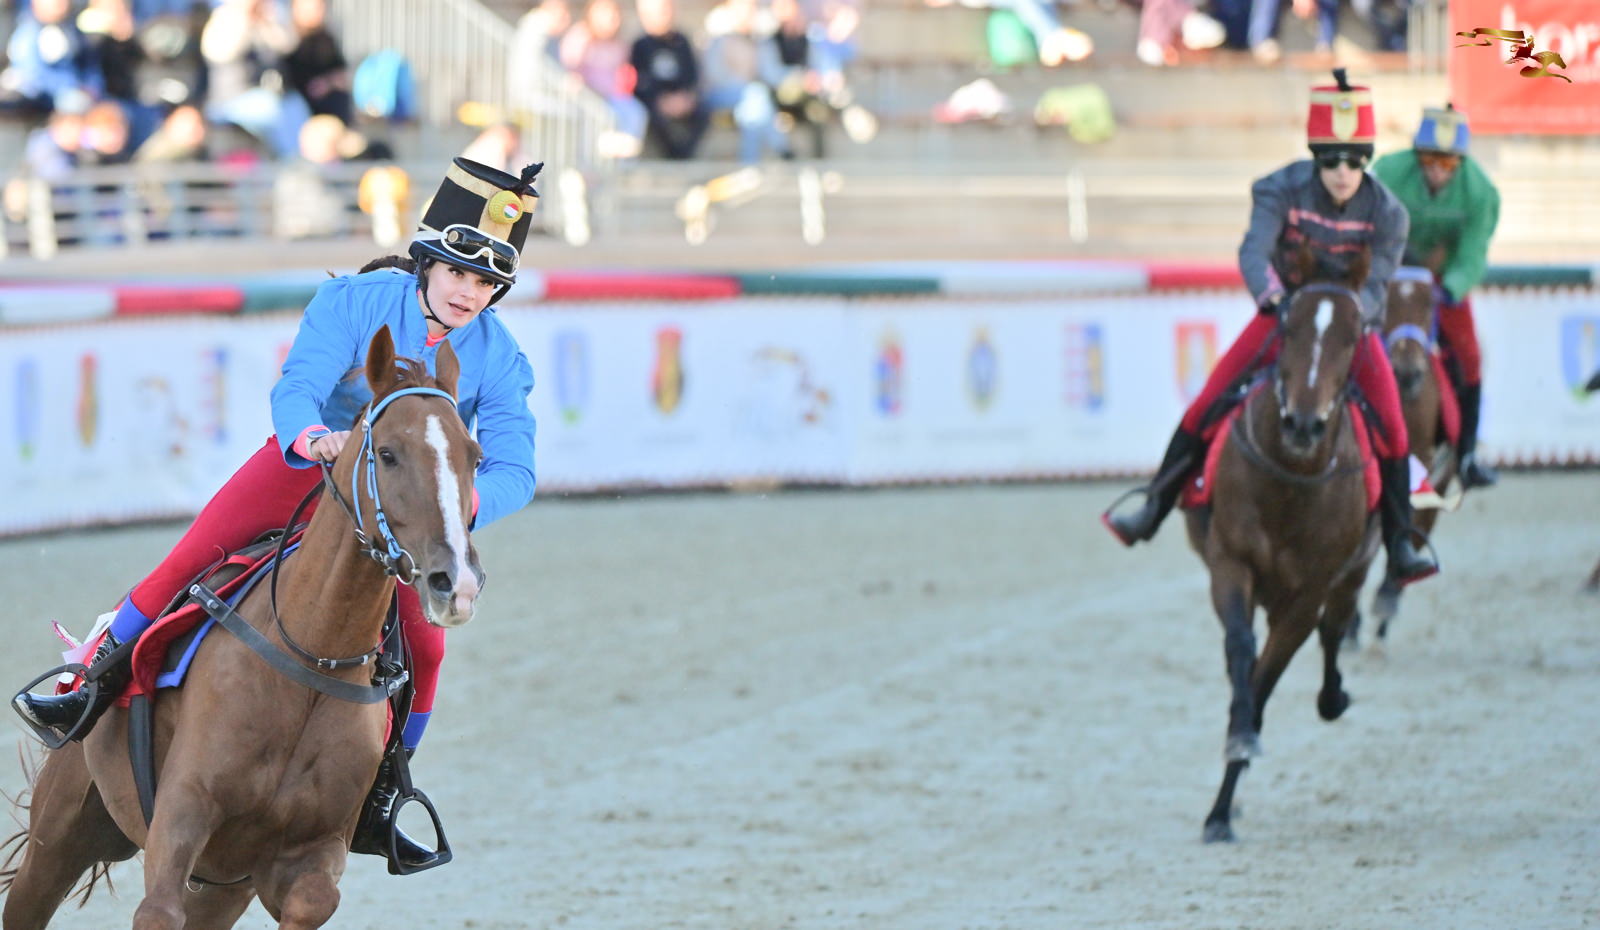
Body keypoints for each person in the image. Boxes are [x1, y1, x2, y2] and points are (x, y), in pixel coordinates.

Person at [13, 156, 542, 873]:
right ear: (426, 264)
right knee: (186, 562)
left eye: (485, 284)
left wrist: (453, 503)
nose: (469, 294)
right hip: (303, 469)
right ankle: (88, 686)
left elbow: (516, 470)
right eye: (457, 274)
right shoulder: (353, 301)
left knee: (428, 645)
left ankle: (386, 794)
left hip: (396, 507)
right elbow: (298, 387)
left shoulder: (499, 355)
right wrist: (313, 437)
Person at [1102, 69, 1437, 587]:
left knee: (1394, 428)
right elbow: (1254, 252)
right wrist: (1274, 297)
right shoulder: (1277, 189)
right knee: (1208, 399)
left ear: (1366, 161)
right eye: (1331, 160)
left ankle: (1398, 544)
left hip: (1347, 327)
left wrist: (1349, 318)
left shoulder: (1389, 213)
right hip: (1285, 317)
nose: (1343, 172)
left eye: (1354, 161)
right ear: (1315, 157)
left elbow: (1377, 288)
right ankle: (1154, 506)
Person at [1371, 104, 1500, 489]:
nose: (1437, 171)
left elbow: (1473, 254)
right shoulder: (1387, 172)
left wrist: (1450, 288)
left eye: (1448, 163)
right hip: (1391, 275)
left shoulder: (1481, 193)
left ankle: (1467, 456)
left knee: (1469, 356)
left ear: (1461, 162)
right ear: (1416, 155)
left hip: (1442, 285)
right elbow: (1371, 230)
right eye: (1428, 159)